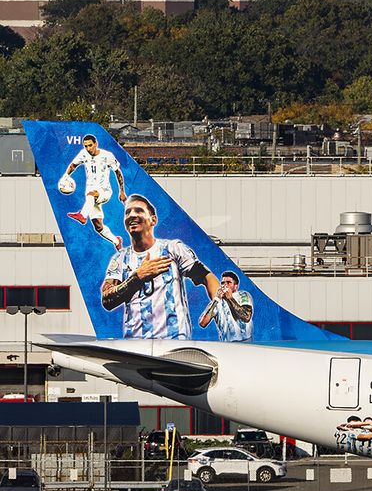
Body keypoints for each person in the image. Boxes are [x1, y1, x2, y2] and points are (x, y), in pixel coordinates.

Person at [99, 194, 219, 339]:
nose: (132, 215)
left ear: (153, 220)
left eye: (138, 210)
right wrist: (137, 278)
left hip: (173, 342)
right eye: (127, 212)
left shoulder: (172, 249)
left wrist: (217, 306)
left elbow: (207, 277)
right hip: (135, 347)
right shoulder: (120, 258)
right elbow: (107, 301)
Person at [60, 134, 126, 252]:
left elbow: (118, 172)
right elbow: (73, 165)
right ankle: (117, 241)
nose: (88, 148)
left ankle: (82, 216)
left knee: (91, 195)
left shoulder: (107, 156)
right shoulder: (83, 154)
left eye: (90, 145)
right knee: (98, 226)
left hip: (104, 191)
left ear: (96, 144)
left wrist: (121, 191)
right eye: (86, 146)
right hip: (90, 195)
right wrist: (65, 176)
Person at [198, 270, 254, 342]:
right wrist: (216, 299)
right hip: (226, 344)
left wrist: (230, 298)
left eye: (228, 283)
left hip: (245, 342)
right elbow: (203, 323)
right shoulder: (217, 302)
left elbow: (246, 316)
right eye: (223, 283)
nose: (225, 285)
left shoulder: (243, 295)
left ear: (235, 286)